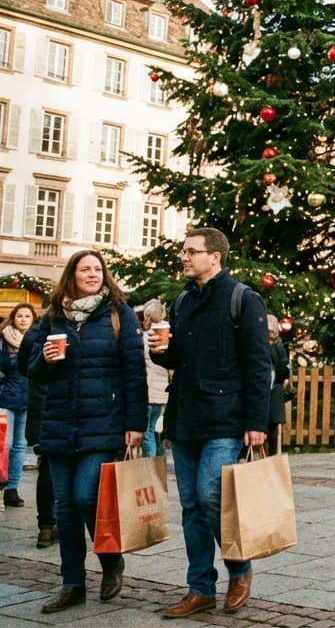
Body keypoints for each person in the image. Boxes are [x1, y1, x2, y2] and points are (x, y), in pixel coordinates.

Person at [149, 227, 271, 618]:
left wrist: (257, 422)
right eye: (184, 251)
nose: (184, 257)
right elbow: (178, 360)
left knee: (209, 494)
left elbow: (258, 365)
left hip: (226, 419)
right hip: (184, 419)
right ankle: (199, 588)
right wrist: (161, 353)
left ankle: (239, 569)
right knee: (190, 507)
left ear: (215, 257)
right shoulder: (184, 300)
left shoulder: (243, 298)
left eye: (191, 252)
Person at [23, 251, 146, 614]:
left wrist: (135, 424)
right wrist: (44, 359)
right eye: (84, 270)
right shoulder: (54, 317)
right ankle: (72, 583)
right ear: (72, 276)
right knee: (63, 508)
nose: (92, 275)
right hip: (60, 421)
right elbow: (31, 369)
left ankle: (111, 560)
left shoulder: (117, 312)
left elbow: (133, 372)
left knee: (84, 496)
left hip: (102, 421)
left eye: (97, 269)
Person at [13, 305, 56, 548]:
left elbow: (23, 368)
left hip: (40, 408)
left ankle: (46, 527)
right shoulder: (66, 331)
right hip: (56, 410)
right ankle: (52, 524)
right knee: (56, 469)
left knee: (47, 469)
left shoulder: (32, 334)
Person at [1, 303, 35, 507]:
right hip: (5, 398)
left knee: (20, 446)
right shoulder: (3, 340)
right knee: (6, 443)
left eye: (27, 316)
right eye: (20, 315)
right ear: (13, 318)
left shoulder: (35, 340)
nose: (23, 319)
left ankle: (12, 489)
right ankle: (2, 483)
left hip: (27, 399)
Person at [138, 299, 169, 459]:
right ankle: (159, 465)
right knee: (156, 431)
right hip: (163, 391)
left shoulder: (145, 338)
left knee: (147, 431)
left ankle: (150, 467)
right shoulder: (167, 336)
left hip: (149, 392)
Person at [265, 314, 291, 456]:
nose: (273, 332)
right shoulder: (260, 344)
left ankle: (274, 458)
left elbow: (283, 369)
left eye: (274, 328)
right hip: (262, 392)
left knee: (274, 430)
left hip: (275, 391)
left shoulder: (279, 346)